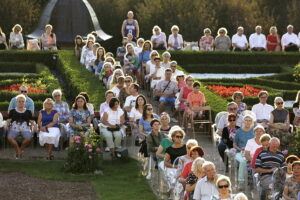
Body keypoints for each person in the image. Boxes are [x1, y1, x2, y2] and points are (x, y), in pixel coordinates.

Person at [4, 94, 34, 159]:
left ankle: (20, 150)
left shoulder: (28, 112)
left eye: (22, 101)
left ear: (25, 102)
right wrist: (6, 123)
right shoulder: (12, 111)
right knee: (9, 137)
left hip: (25, 128)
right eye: (19, 101)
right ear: (16, 102)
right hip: (14, 128)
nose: (21, 103)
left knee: (29, 138)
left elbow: (31, 121)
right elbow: (9, 120)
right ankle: (18, 150)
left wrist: (34, 124)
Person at [164, 126, 187, 195]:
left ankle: (172, 191)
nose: (179, 138)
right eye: (177, 136)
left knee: (179, 178)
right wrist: (174, 166)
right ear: (173, 137)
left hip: (184, 168)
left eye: (181, 136)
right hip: (174, 167)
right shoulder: (169, 149)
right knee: (173, 175)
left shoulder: (186, 147)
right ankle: (174, 192)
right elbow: (165, 162)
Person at [233, 115, 254, 186]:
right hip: (240, 152)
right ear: (243, 121)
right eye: (246, 120)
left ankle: (253, 180)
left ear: (252, 122)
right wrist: (240, 148)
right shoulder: (239, 131)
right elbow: (234, 144)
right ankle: (241, 182)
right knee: (243, 161)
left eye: (249, 120)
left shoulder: (254, 131)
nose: (247, 122)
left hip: (251, 152)